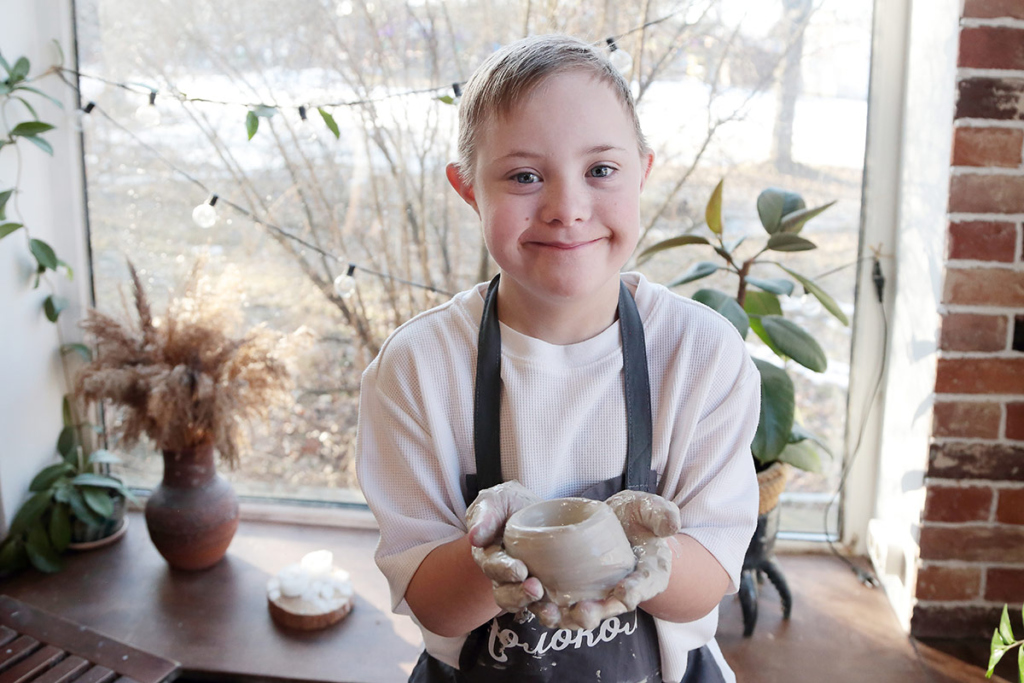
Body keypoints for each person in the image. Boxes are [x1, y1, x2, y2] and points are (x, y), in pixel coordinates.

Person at [356, 34, 760, 683]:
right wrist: (503, 549)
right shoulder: (419, 366)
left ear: (644, 172)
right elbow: (431, 603)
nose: (567, 209)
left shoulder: (702, 355)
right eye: (523, 175)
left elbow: (708, 578)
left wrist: (631, 551)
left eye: (600, 170)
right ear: (467, 189)